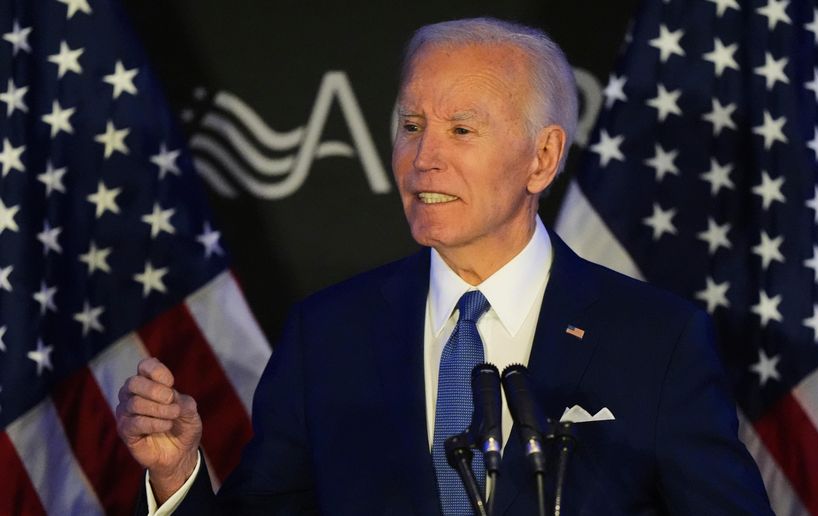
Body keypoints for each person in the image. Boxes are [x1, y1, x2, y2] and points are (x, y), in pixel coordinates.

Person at [116, 17, 774, 515]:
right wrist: (177, 476)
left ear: (541, 158)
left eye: (461, 130)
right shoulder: (328, 333)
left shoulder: (655, 339)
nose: (422, 156)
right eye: (410, 125)